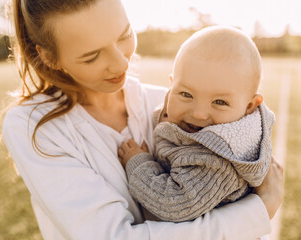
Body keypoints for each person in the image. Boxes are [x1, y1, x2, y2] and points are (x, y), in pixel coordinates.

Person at [1, 0, 283, 239]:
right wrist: (257, 212)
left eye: (124, 35)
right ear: (50, 57)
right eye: (92, 56)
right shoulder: (34, 126)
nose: (122, 64)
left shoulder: (169, 107)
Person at [118, 26, 276, 223]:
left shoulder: (220, 159)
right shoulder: (202, 128)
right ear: (171, 85)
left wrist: (139, 163)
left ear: (250, 106)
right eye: (186, 94)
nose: (198, 114)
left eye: (220, 102)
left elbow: (174, 203)